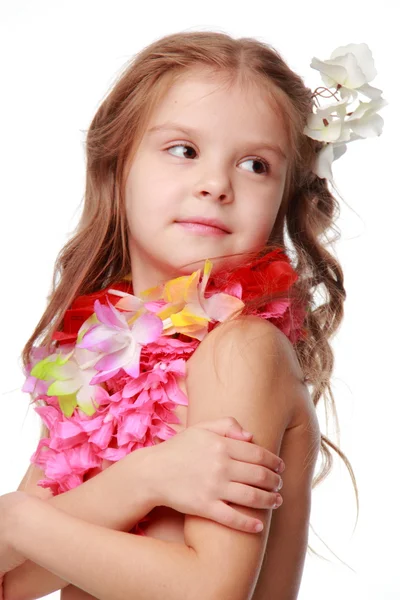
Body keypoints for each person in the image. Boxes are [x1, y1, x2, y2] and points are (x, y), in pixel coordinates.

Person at [0, 31, 386, 599]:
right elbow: (13, 581)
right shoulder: (98, 356)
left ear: (285, 195)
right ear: (117, 163)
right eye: (183, 150)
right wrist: (140, 481)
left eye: (256, 164)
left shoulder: (241, 348)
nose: (215, 185)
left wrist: (19, 521)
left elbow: (207, 591)